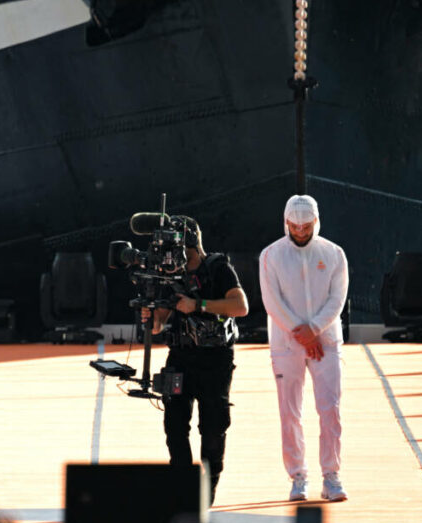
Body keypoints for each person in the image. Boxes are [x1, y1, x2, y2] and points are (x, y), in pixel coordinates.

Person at [141, 216, 249, 506]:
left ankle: (206, 493)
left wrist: (198, 305)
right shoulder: (169, 275)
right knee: (174, 426)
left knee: (213, 429)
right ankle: (182, 489)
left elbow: (240, 306)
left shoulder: (218, 268)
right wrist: (151, 318)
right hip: (180, 357)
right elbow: (160, 322)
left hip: (215, 360)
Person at [259, 194, 349, 502]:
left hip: (326, 342)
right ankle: (298, 476)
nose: (300, 232)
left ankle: (331, 475)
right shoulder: (270, 256)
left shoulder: (334, 254)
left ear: (316, 222)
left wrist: (315, 330)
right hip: (287, 344)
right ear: (285, 223)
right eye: (294, 226)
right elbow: (272, 302)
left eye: (306, 226)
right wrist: (302, 334)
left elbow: (337, 299)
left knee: (330, 409)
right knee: (290, 413)